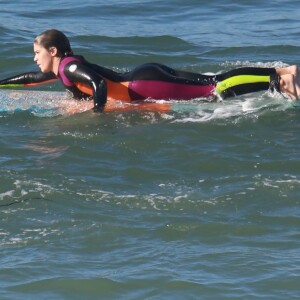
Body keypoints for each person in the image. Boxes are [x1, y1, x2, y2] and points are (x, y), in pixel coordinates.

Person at [0, 29, 299, 112]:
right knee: (213, 82)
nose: (35, 59)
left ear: (53, 51)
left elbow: (97, 85)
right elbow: (29, 79)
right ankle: (281, 71)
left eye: (37, 53)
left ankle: (277, 80)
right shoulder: (64, 68)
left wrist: (96, 113)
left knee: (213, 89)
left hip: (145, 85)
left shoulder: (71, 66)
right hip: (145, 77)